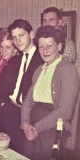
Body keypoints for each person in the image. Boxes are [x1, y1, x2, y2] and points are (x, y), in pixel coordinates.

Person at [0, 19, 43, 153]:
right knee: (7, 152)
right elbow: (5, 90)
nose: (18, 40)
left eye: (21, 35)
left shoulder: (41, 58)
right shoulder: (17, 59)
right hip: (11, 110)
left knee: (24, 152)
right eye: (15, 37)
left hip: (29, 115)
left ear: (31, 34)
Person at [21, 25, 79, 160]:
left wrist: (36, 128)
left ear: (59, 46)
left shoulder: (68, 70)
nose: (44, 51)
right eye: (41, 46)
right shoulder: (39, 69)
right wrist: (25, 124)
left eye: (49, 46)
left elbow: (65, 111)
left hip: (52, 127)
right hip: (32, 125)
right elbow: (28, 100)